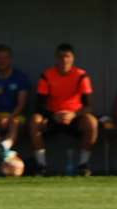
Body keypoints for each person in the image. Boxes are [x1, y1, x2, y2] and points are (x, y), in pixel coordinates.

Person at [29, 43, 99, 176]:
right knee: (34, 121)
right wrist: (53, 115)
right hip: (52, 117)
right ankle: (41, 166)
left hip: (74, 117)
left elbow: (88, 106)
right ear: (56, 58)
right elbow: (39, 105)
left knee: (92, 122)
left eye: (67, 56)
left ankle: (83, 166)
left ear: (73, 58)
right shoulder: (47, 75)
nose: (64, 60)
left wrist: (73, 114)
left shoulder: (81, 75)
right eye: (61, 57)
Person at [0, 44, 30, 169]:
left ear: (10, 59)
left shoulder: (20, 78)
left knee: (14, 122)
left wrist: (9, 118)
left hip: (15, 115)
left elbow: (21, 104)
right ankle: (5, 154)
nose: (1, 61)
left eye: (5, 58)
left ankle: (3, 147)